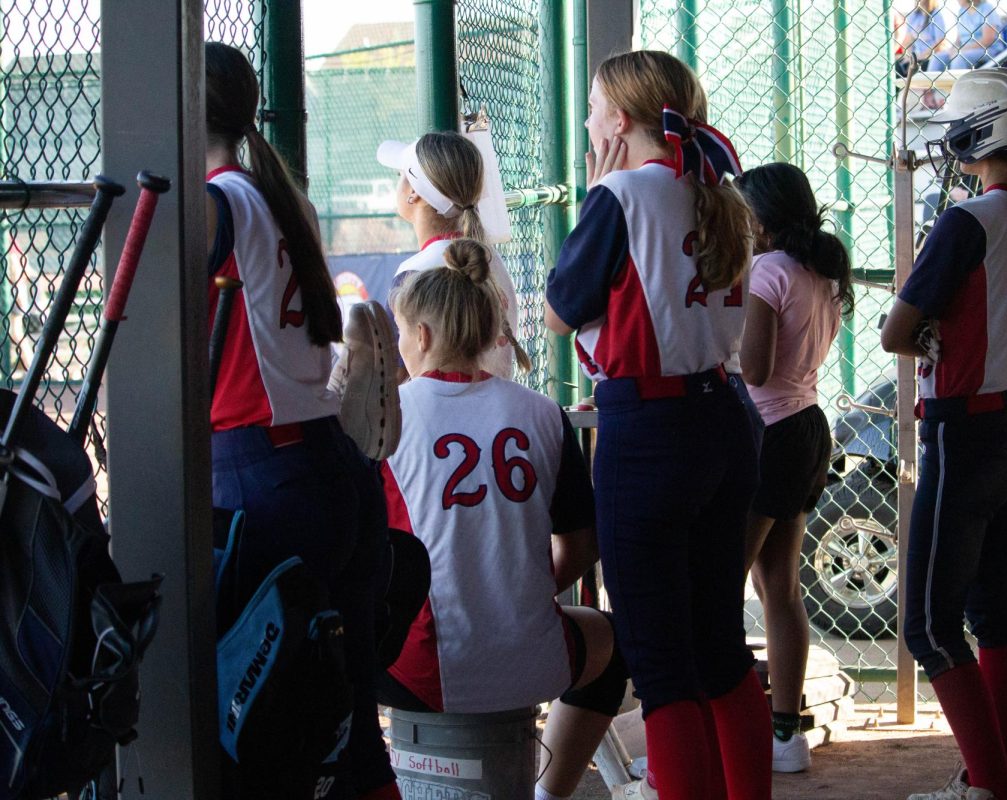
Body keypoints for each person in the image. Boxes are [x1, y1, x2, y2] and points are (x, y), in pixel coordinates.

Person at [545, 49, 771, 800]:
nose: (585, 119)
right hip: (723, 417)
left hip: (650, 429)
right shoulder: (716, 191)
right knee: (719, 646)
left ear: (622, 120)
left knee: (660, 658)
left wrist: (593, 191)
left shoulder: (622, 194)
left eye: (593, 106)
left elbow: (557, 311)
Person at [203, 42, 397, 800]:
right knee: (349, 730)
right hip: (327, 464)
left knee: (274, 739)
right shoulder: (277, 194)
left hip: (264, 472)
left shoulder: (218, 199)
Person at [377, 238, 627, 800]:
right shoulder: (540, 411)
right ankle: (551, 794)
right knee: (614, 646)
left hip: (421, 670)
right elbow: (582, 546)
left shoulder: (390, 415)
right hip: (531, 655)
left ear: (421, 336)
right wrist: (520, 588)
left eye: (401, 334)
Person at [880, 68, 1007, 800]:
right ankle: (981, 781)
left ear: (984, 131)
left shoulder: (969, 218)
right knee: (992, 615)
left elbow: (899, 330)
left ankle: (989, 788)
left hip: (966, 432)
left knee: (929, 627)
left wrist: (924, 331)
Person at [736, 162, 852, 774]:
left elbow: (753, 370)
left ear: (759, 219)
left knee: (720, 582)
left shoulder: (768, 270)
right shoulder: (822, 270)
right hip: (808, 426)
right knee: (779, 586)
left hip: (769, 430)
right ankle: (787, 735)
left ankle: (724, 721)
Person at [374, 131, 528, 381]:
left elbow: (393, 375)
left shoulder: (415, 272)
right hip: (496, 410)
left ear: (414, 192)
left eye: (399, 175)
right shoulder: (486, 259)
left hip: (438, 416)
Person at [932, 0, 1007, 70]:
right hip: (965, 49)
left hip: (988, 50)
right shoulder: (961, 11)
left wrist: (961, 50)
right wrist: (952, 49)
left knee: (959, 58)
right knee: (938, 57)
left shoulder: (987, 8)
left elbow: (987, 40)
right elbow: (959, 40)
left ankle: (958, 84)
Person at [895, 0, 950, 75]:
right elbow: (909, 42)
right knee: (897, 66)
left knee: (917, 69)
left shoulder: (936, 14)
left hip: (931, 57)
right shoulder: (914, 15)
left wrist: (921, 56)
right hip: (916, 56)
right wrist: (911, 57)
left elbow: (940, 43)